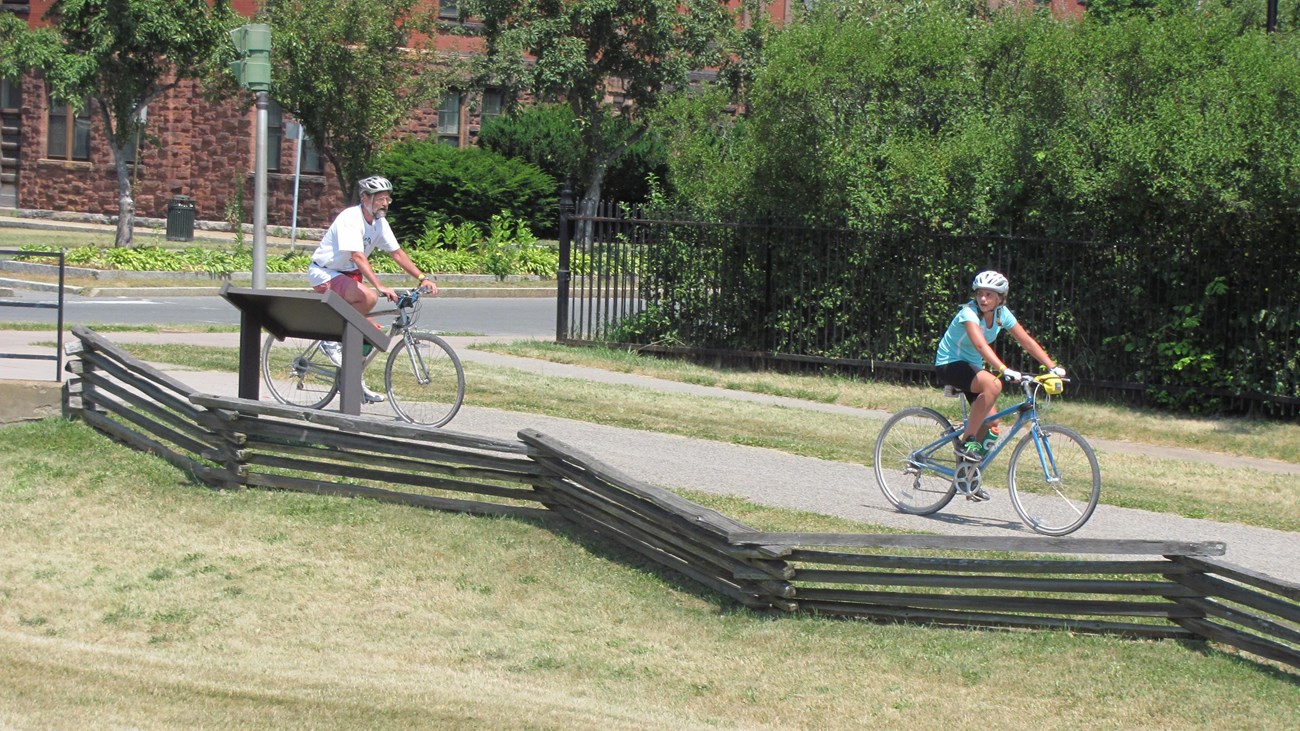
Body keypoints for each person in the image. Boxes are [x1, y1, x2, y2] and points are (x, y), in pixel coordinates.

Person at [934, 271, 1066, 496]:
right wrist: (1004, 370)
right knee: (994, 385)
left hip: (972, 368)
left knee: (992, 426)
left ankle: (966, 475)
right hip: (950, 363)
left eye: (989, 295)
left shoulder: (1001, 314)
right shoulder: (968, 313)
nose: (983, 299)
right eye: (980, 294)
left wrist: (1052, 367)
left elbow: (1026, 341)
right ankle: (967, 442)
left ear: (1000, 298)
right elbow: (980, 346)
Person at [307, 175, 436, 402]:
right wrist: (379, 286)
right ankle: (330, 340)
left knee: (370, 333)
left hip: (348, 276)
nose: (385, 203)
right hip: (325, 273)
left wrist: (422, 277)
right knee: (368, 297)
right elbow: (357, 256)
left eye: (387, 199)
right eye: (380, 199)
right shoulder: (350, 218)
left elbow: (397, 253)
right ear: (365, 198)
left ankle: (354, 382)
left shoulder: (379, 223)